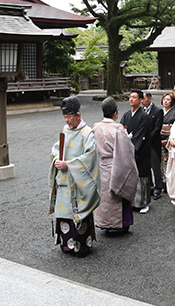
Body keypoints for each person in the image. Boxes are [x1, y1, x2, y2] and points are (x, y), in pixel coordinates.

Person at [49, 96, 101, 255]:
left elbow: (90, 157)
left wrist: (69, 164)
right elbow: (57, 148)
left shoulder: (87, 133)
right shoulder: (65, 130)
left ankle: (81, 245)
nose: (67, 121)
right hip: (65, 180)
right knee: (65, 213)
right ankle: (66, 244)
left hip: (79, 182)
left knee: (78, 211)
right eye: (65, 117)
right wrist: (57, 158)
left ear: (78, 115)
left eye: (69, 117)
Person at [93, 97, 139, 233]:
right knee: (119, 193)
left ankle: (105, 224)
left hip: (100, 167)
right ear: (115, 113)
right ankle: (122, 224)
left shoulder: (95, 128)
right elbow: (126, 152)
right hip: (115, 166)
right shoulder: (118, 130)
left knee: (104, 196)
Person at [120, 89, 151, 214]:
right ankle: (133, 202)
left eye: (134, 97)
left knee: (142, 176)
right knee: (131, 177)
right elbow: (121, 129)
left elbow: (142, 134)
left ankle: (144, 203)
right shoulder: (126, 115)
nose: (131, 99)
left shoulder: (144, 116)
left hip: (141, 149)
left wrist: (133, 143)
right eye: (130, 97)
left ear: (141, 100)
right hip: (128, 149)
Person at [142, 91, 164, 200]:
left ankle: (158, 188)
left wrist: (148, 138)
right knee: (146, 166)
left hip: (153, 142)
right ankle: (149, 187)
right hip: (143, 144)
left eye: (144, 98)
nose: (142, 101)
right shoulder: (141, 111)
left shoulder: (158, 111)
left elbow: (157, 127)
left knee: (156, 167)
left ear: (150, 98)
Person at [160, 92, 175, 192]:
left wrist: (168, 140)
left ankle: (169, 184)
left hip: (169, 140)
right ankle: (162, 183)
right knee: (161, 163)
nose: (165, 101)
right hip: (160, 139)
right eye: (164, 99)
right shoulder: (160, 112)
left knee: (169, 163)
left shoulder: (174, 113)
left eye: (168, 100)